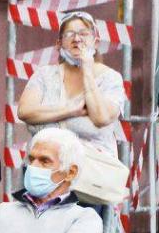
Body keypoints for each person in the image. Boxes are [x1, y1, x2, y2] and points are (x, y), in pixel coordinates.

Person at [17, 11, 126, 159]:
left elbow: (102, 118)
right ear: (59, 43)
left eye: (84, 34)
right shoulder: (44, 75)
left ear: (96, 42)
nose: (77, 39)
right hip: (45, 169)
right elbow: (25, 112)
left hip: (93, 173)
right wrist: (70, 111)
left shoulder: (110, 78)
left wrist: (87, 70)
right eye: (69, 34)